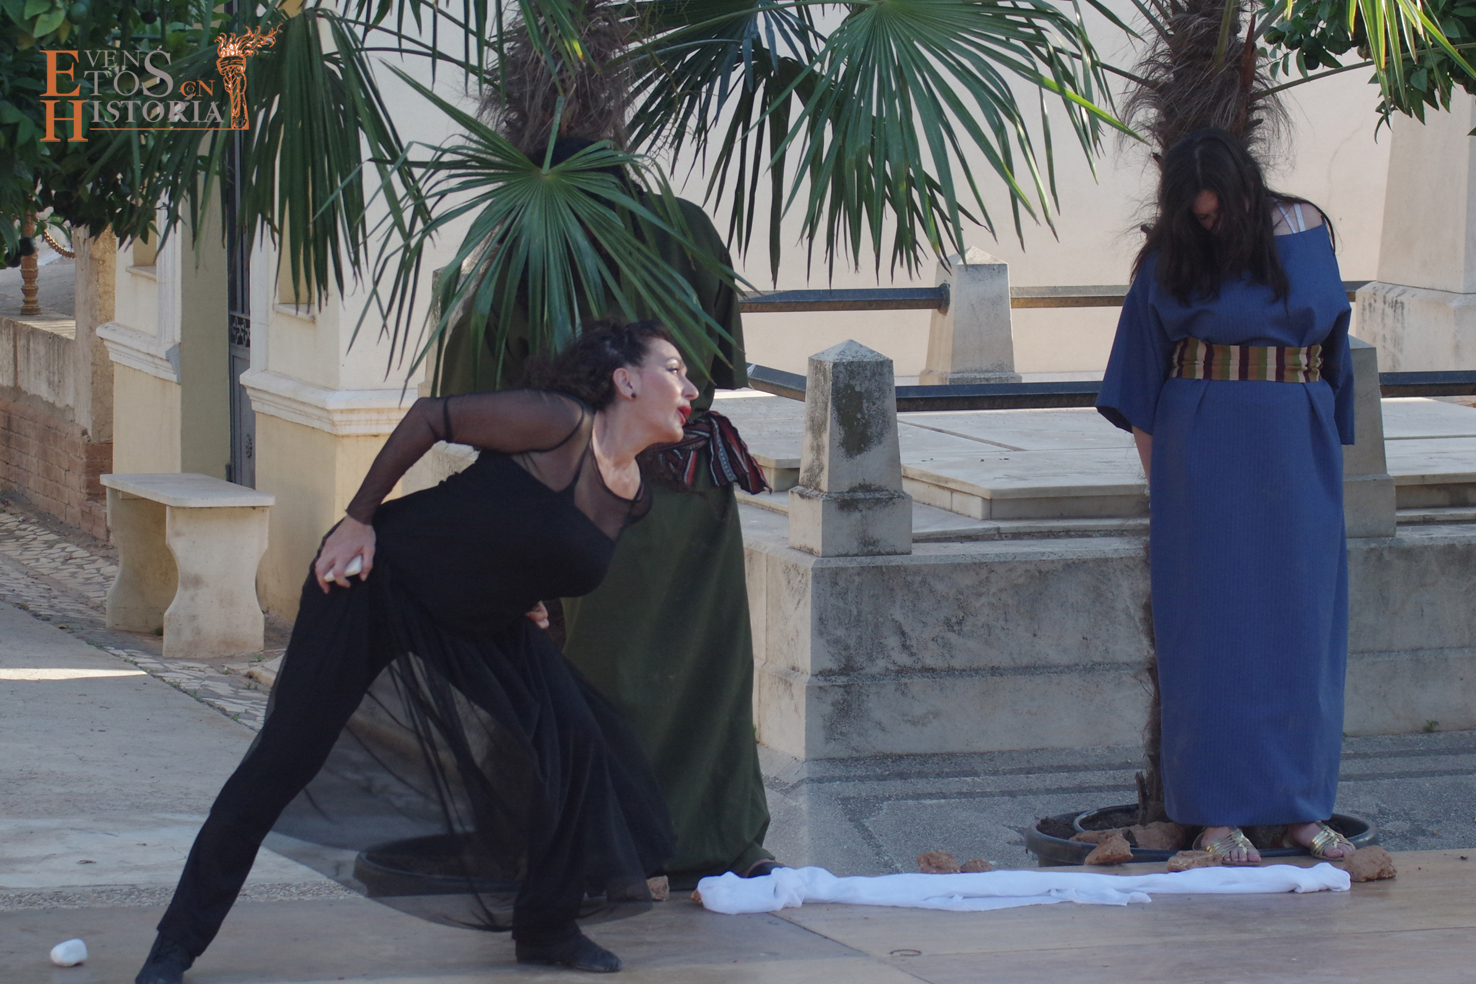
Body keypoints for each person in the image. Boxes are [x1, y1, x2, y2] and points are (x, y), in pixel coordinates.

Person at [136, 321, 697, 983]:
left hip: (477, 618)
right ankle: (176, 945)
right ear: (626, 380)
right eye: (675, 370)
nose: (690, 389)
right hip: (377, 586)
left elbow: (537, 535)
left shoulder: (630, 493)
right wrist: (358, 520)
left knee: (572, 744)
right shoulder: (558, 422)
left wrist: (526, 591)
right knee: (282, 762)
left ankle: (547, 929)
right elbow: (429, 418)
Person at [438, 139, 776, 889]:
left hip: (578, 490)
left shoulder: (519, 244)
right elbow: (722, 365)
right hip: (688, 488)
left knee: (586, 671)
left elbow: (477, 400)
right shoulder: (688, 226)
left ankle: (597, 846)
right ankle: (717, 840)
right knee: (705, 673)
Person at [1096, 128, 1358, 866]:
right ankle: (1216, 816)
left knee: (1303, 625)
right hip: (1203, 453)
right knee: (1212, 631)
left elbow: (1334, 346)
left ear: (1247, 191)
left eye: (1217, 212)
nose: (1208, 225)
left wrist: (1328, 443)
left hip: (1298, 444)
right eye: (1197, 215)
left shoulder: (1306, 228)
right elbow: (1140, 380)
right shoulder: (1173, 254)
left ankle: (1302, 810)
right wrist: (1168, 488)